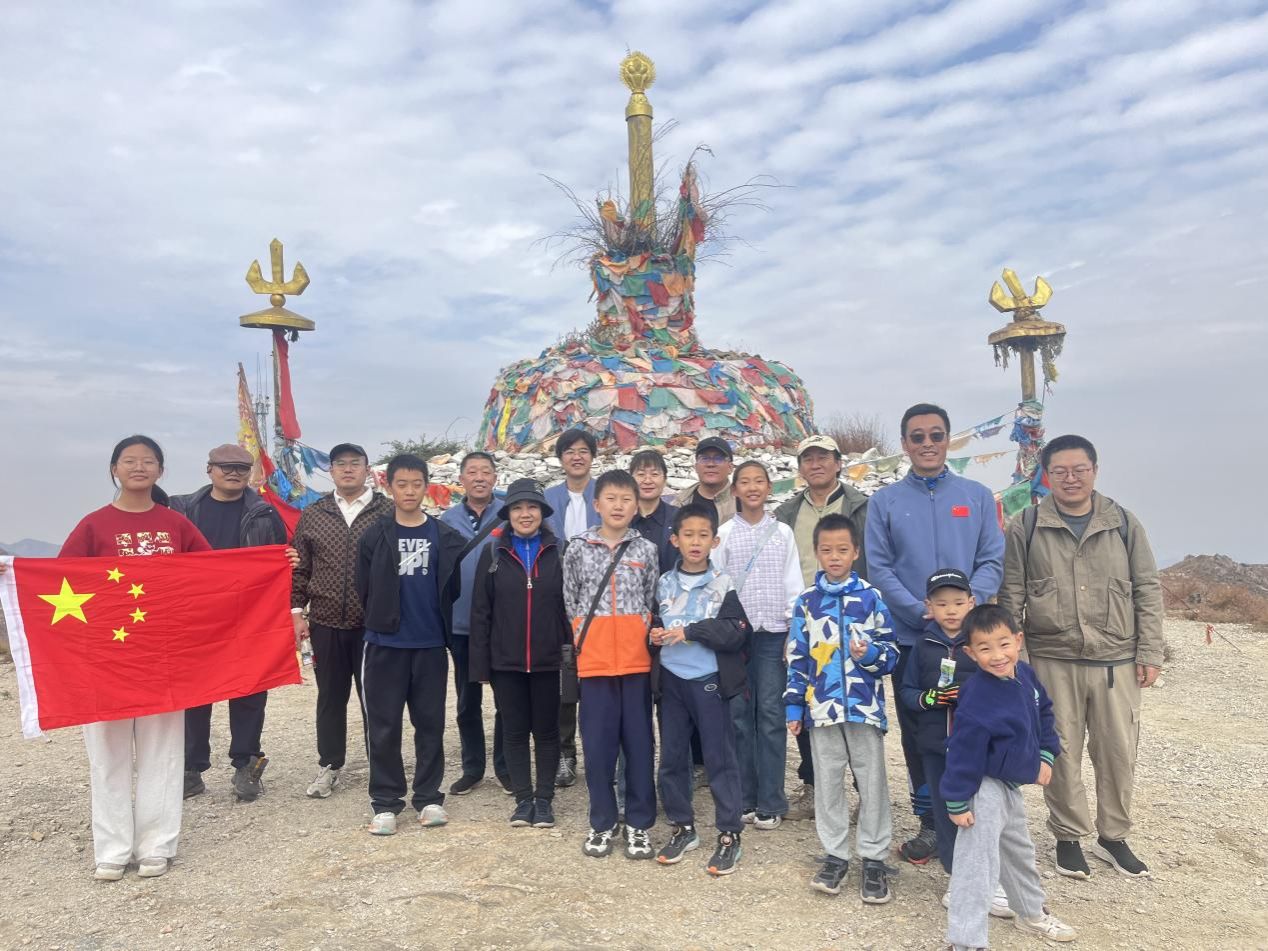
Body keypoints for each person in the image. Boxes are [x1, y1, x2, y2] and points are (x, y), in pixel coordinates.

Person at [997, 434, 1164, 880]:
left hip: (1116, 659)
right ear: (1046, 475)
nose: (1070, 479)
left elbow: (1147, 589)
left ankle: (1114, 836)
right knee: (1061, 751)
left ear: (1095, 470)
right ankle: (1068, 837)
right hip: (1051, 659)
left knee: (1118, 752)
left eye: (1079, 470)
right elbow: (1011, 595)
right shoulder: (1027, 525)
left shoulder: (1123, 523)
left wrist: (1149, 650)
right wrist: (1015, 659)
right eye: (1060, 471)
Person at [59, 435, 211, 881]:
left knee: (162, 754)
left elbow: (215, 575)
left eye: (148, 461)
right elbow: (59, 579)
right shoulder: (93, 525)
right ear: (114, 469)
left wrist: (274, 561)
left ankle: (155, 846)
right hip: (105, 659)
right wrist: (15, 573)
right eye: (129, 460)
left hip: (163, 657)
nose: (139, 467)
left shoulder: (176, 525)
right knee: (107, 755)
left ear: (161, 471)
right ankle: (111, 849)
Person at [865, 403, 1004, 865]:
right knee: (919, 732)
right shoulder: (885, 502)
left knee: (978, 724)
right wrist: (918, 611)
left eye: (936, 435)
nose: (927, 444)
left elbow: (991, 559)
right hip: (913, 640)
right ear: (904, 444)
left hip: (971, 642)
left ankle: (980, 815)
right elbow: (879, 567)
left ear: (948, 439)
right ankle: (930, 822)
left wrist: (968, 608)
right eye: (918, 437)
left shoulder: (977, 497)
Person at [942, 604, 1078, 948]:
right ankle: (966, 940)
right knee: (977, 863)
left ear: (1018, 640)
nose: (997, 655)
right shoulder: (977, 695)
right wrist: (957, 799)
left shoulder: (1026, 676)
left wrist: (1046, 754)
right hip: (982, 786)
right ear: (971, 653)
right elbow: (962, 750)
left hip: (1010, 785)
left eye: (1004, 644)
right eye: (985, 648)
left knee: (1019, 852)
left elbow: (1045, 714)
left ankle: (1031, 914)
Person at [785, 512, 898, 903]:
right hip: (822, 711)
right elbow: (797, 658)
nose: (835, 557)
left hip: (864, 710)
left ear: (856, 552)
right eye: (827, 550)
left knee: (872, 783)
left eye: (842, 550)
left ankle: (874, 858)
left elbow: (891, 653)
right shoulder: (806, 603)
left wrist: (871, 655)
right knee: (828, 784)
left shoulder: (871, 597)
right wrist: (794, 707)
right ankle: (835, 855)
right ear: (817, 553)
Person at [170, 444, 286, 803]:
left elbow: (279, 559)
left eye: (241, 467)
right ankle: (190, 769)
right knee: (194, 693)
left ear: (249, 473)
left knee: (250, 689)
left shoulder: (264, 513)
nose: (234, 473)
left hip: (248, 615)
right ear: (209, 470)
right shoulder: (181, 509)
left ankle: (246, 764)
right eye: (226, 467)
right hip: (195, 615)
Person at [897, 569, 1015, 920]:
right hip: (936, 746)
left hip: (977, 747)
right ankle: (957, 879)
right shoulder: (923, 645)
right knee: (947, 813)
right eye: (942, 603)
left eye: (959, 603)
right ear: (928, 607)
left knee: (985, 813)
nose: (951, 610)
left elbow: (1004, 683)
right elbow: (907, 692)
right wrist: (930, 698)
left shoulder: (981, 644)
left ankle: (992, 881)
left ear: (972, 603)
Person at [356, 454, 464, 835]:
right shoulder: (375, 535)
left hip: (430, 644)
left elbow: (451, 587)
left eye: (416, 484)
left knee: (430, 723)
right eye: (401, 484)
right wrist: (382, 617)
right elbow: (363, 586)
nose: (409, 491)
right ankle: (385, 802)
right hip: (385, 644)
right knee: (384, 726)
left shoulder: (443, 536)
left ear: (426, 487)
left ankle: (429, 797)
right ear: (389, 487)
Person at [773, 433, 872, 817]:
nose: (815, 464)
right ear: (800, 467)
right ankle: (814, 787)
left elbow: (873, 559)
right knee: (807, 700)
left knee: (858, 707)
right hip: (806, 621)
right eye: (808, 459)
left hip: (851, 620)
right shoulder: (787, 513)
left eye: (823, 457)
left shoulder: (861, 507)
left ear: (838, 463)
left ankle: (866, 793)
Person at [563, 470, 660, 859]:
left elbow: (650, 599)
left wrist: (637, 630)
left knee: (640, 747)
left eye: (626, 499)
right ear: (596, 504)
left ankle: (639, 824)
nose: (618, 506)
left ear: (636, 506)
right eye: (611, 498)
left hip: (636, 665)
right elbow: (570, 599)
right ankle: (602, 822)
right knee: (598, 749)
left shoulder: (646, 550)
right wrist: (585, 637)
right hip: (595, 664)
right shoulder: (577, 548)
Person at [650, 504, 750, 876]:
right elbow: (654, 623)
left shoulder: (723, 583)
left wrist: (691, 631)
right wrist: (653, 634)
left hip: (708, 682)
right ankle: (683, 826)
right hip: (672, 681)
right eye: (688, 535)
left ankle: (729, 832)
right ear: (675, 540)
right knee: (673, 757)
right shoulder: (663, 582)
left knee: (719, 757)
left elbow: (736, 632)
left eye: (703, 535)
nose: (695, 542)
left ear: (714, 541)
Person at [290, 442, 393, 799]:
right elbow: (300, 567)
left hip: (373, 625)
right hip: (325, 621)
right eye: (340, 464)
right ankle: (329, 765)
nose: (348, 469)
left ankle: (381, 765)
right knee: (330, 698)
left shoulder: (386, 511)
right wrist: (296, 613)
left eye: (355, 463)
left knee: (375, 697)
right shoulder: (315, 513)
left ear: (367, 469)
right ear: (330, 470)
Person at [468, 479, 568, 829]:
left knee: (547, 732)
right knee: (513, 731)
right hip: (505, 662)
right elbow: (480, 612)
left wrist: (570, 656)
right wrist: (480, 665)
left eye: (532, 507)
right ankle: (523, 800)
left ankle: (544, 800)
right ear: (508, 514)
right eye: (518, 508)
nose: (525, 514)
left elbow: (569, 609)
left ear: (542, 512)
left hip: (548, 660)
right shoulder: (494, 553)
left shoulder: (560, 551)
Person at [716, 461, 802, 829]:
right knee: (738, 716)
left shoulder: (782, 532)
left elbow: (793, 582)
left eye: (759, 481)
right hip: (736, 638)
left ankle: (771, 799)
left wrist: (793, 631)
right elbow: (717, 585)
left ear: (769, 488)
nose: (752, 487)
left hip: (773, 634)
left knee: (770, 714)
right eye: (745, 482)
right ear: (734, 490)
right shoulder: (723, 534)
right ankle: (745, 797)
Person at [438, 451, 509, 796]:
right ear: (461, 479)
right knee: (467, 701)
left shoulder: (510, 514)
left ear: (495, 478)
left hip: (502, 625)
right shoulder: (447, 519)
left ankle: (506, 767)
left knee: (505, 700)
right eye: (472, 472)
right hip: (461, 625)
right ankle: (472, 768)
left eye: (485, 472)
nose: (479, 477)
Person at [544, 427, 601, 788]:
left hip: (599, 603)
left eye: (583, 451)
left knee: (598, 680)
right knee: (564, 681)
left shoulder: (605, 493)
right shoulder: (549, 498)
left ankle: (601, 751)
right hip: (558, 602)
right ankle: (565, 752)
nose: (577, 457)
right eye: (569, 451)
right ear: (561, 458)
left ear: (592, 456)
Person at [630, 448, 678, 575]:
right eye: (641, 474)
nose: (647, 480)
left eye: (655, 474)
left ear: (665, 480)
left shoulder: (679, 519)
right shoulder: (621, 519)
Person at [671, 436, 736, 525]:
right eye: (705, 459)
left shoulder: (742, 501)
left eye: (718, 459)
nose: (711, 464)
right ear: (696, 467)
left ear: (730, 467)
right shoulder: (681, 502)